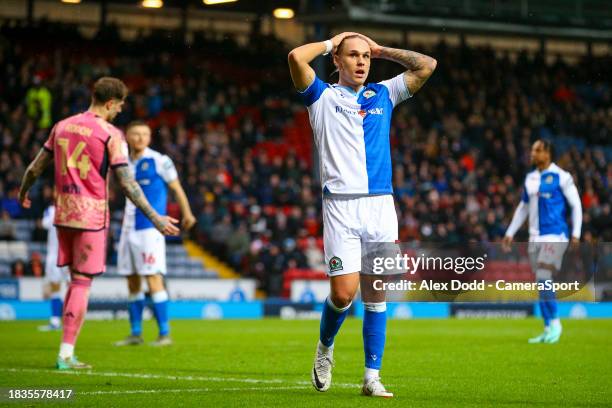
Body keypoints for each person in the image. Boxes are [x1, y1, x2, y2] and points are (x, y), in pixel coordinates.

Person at [288, 32, 436, 397]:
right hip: (340, 205)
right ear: (337, 61)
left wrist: (382, 49)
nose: (360, 62)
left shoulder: (384, 93)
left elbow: (427, 65)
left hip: (381, 206)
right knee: (343, 295)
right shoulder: (321, 97)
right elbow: (295, 57)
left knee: (377, 294)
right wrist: (330, 42)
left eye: (365, 57)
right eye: (352, 55)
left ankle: (371, 377)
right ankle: (325, 348)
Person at [18, 77, 180, 370]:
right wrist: (155, 218)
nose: (119, 112)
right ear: (110, 103)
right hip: (91, 217)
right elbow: (128, 184)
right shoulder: (110, 134)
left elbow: (34, 168)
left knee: (71, 280)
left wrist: (23, 191)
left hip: (63, 214)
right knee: (81, 283)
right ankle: (66, 355)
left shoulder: (62, 126)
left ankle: (67, 349)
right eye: (119, 106)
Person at [115, 121, 196, 347]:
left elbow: (177, 188)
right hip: (127, 228)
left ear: (150, 138)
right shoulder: (122, 162)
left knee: (153, 279)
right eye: (136, 134)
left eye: (145, 134)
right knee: (132, 281)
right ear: (127, 137)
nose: (140, 138)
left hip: (150, 229)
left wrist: (187, 213)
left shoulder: (160, 160)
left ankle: (164, 334)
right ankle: (135, 333)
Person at [502, 139, 582, 344]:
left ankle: (556, 322)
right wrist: (510, 232)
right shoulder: (530, 179)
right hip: (535, 237)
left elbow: (576, 205)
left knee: (544, 275)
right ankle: (547, 327)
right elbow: (523, 208)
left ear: (547, 153)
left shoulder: (562, 177)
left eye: (537, 150)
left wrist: (576, 233)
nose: (532, 153)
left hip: (556, 234)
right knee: (540, 281)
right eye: (532, 150)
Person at [37, 202, 69, 332]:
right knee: (55, 287)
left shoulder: (73, 207)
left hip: (69, 254)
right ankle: (55, 321)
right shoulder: (51, 209)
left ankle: (70, 320)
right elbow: (45, 224)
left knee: (72, 287)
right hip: (54, 255)